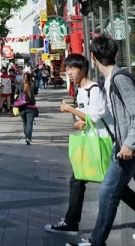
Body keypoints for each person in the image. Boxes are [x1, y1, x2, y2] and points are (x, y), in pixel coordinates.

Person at [46, 53, 128, 235]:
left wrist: (70, 109)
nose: (69, 72)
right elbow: (86, 118)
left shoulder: (94, 89)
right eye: (67, 69)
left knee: (117, 188)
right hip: (91, 142)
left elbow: (95, 116)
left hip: (103, 143)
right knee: (77, 180)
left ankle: (72, 224)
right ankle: (71, 223)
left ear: (83, 69)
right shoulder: (81, 91)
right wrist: (79, 121)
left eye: (72, 69)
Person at [67, 36, 135, 246]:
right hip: (121, 146)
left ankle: (96, 242)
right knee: (111, 191)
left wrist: (129, 144)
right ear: (116, 53)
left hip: (127, 148)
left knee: (108, 192)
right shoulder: (110, 80)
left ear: (93, 57)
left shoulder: (119, 79)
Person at [16, 73, 38, 144]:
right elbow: (36, 92)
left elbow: (15, 96)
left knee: (24, 123)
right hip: (30, 107)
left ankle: (26, 136)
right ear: (30, 78)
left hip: (21, 107)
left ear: (23, 78)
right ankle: (28, 137)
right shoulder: (33, 85)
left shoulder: (19, 85)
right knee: (29, 123)